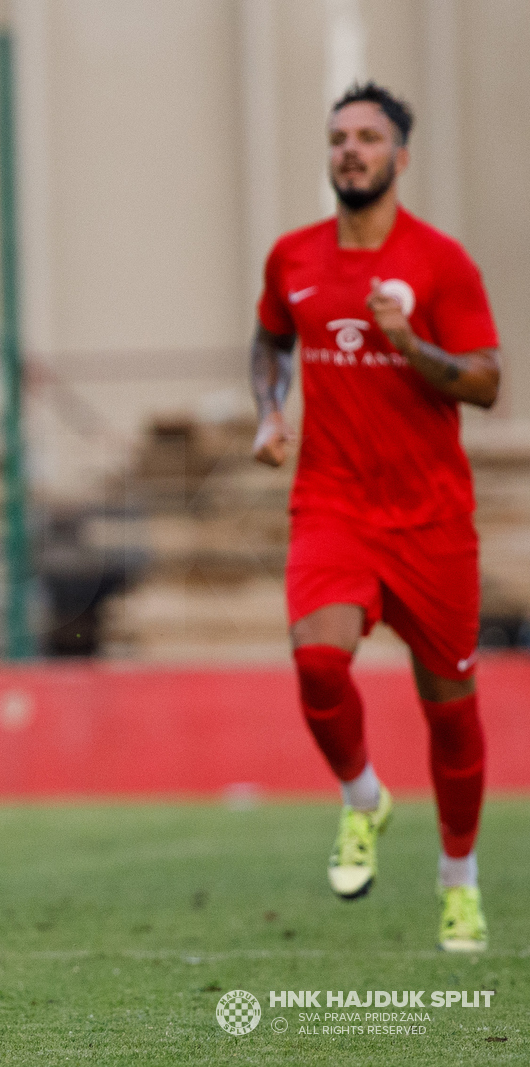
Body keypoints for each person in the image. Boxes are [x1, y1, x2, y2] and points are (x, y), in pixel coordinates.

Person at [251, 82, 500, 952]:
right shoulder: (293, 256)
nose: (349, 150)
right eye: (338, 138)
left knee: (451, 710)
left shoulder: (442, 262)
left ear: (400, 156)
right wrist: (269, 410)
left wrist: (409, 342)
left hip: (433, 521)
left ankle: (459, 882)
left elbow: (487, 381)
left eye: (367, 138)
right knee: (318, 661)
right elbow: (271, 336)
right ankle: (363, 797)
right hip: (333, 502)